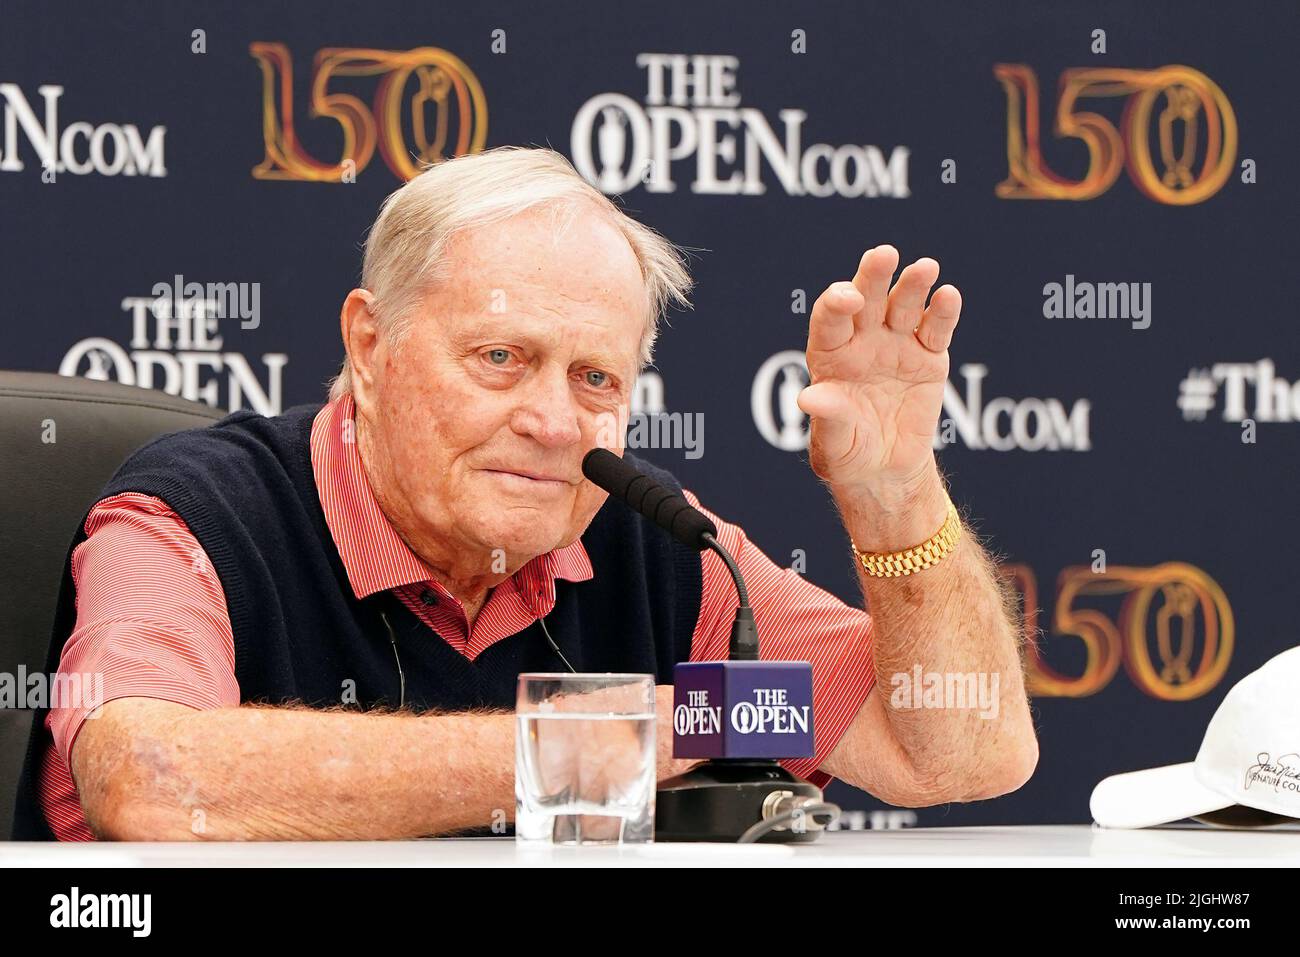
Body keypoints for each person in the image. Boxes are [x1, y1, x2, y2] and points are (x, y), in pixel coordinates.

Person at [15, 146, 1037, 840]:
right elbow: (149, 778)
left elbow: (960, 752)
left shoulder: (664, 552)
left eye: (595, 379)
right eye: (501, 357)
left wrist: (894, 489)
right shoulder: (195, 514)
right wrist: (619, 741)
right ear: (369, 347)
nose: (554, 420)